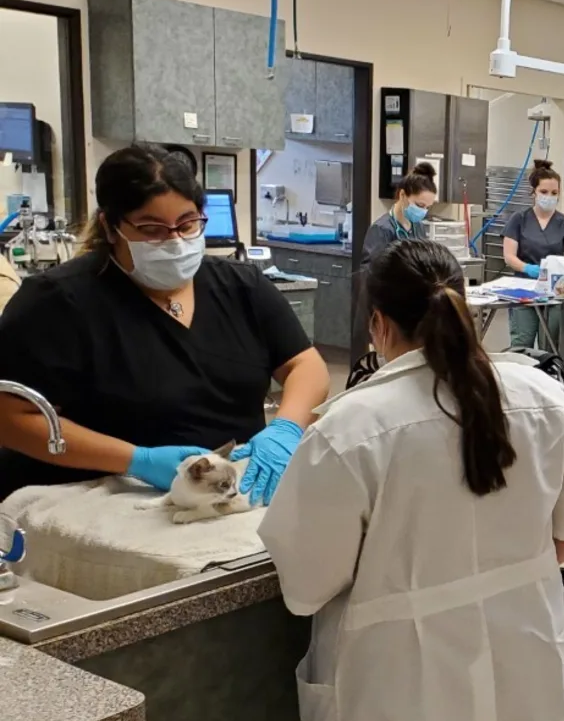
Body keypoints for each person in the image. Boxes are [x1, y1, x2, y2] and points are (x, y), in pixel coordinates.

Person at [258, 238, 564, 721]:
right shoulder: (540, 396)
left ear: (378, 323)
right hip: (516, 670)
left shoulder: (352, 428)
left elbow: (306, 587)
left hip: (404, 696)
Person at [0, 143, 327, 503]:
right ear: (111, 228)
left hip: (226, 491)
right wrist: (136, 460)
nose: (174, 241)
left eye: (187, 224)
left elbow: (305, 365)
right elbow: (12, 418)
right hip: (99, 496)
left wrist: (286, 427)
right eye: (152, 229)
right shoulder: (56, 303)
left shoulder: (241, 286)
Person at [503, 159, 564, 351]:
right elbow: (509, 257)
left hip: (556, 290)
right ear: (533, 192)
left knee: (550, 346)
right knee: (522, 345)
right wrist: (528, 268)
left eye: (554, 193)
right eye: (544, 192)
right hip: (524, 289)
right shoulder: (519, 219)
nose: (549, 197)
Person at [363, 162, 438, 258]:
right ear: (402, 195)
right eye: (420, 205)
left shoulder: (419, 228)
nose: (423, 211)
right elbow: (369, 270)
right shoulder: (382, 230)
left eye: (427, 207)